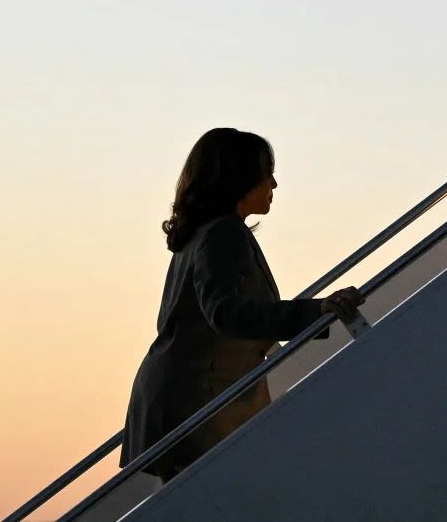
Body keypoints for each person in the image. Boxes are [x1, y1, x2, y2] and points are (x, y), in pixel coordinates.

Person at [119, 128, 365, 483]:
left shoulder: (205, 233)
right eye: (267, 173)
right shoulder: (223, 234)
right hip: (199, 403)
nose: (275, 184)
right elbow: (227, 313)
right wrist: (317, 311)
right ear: (240, 177)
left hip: (183, 398)